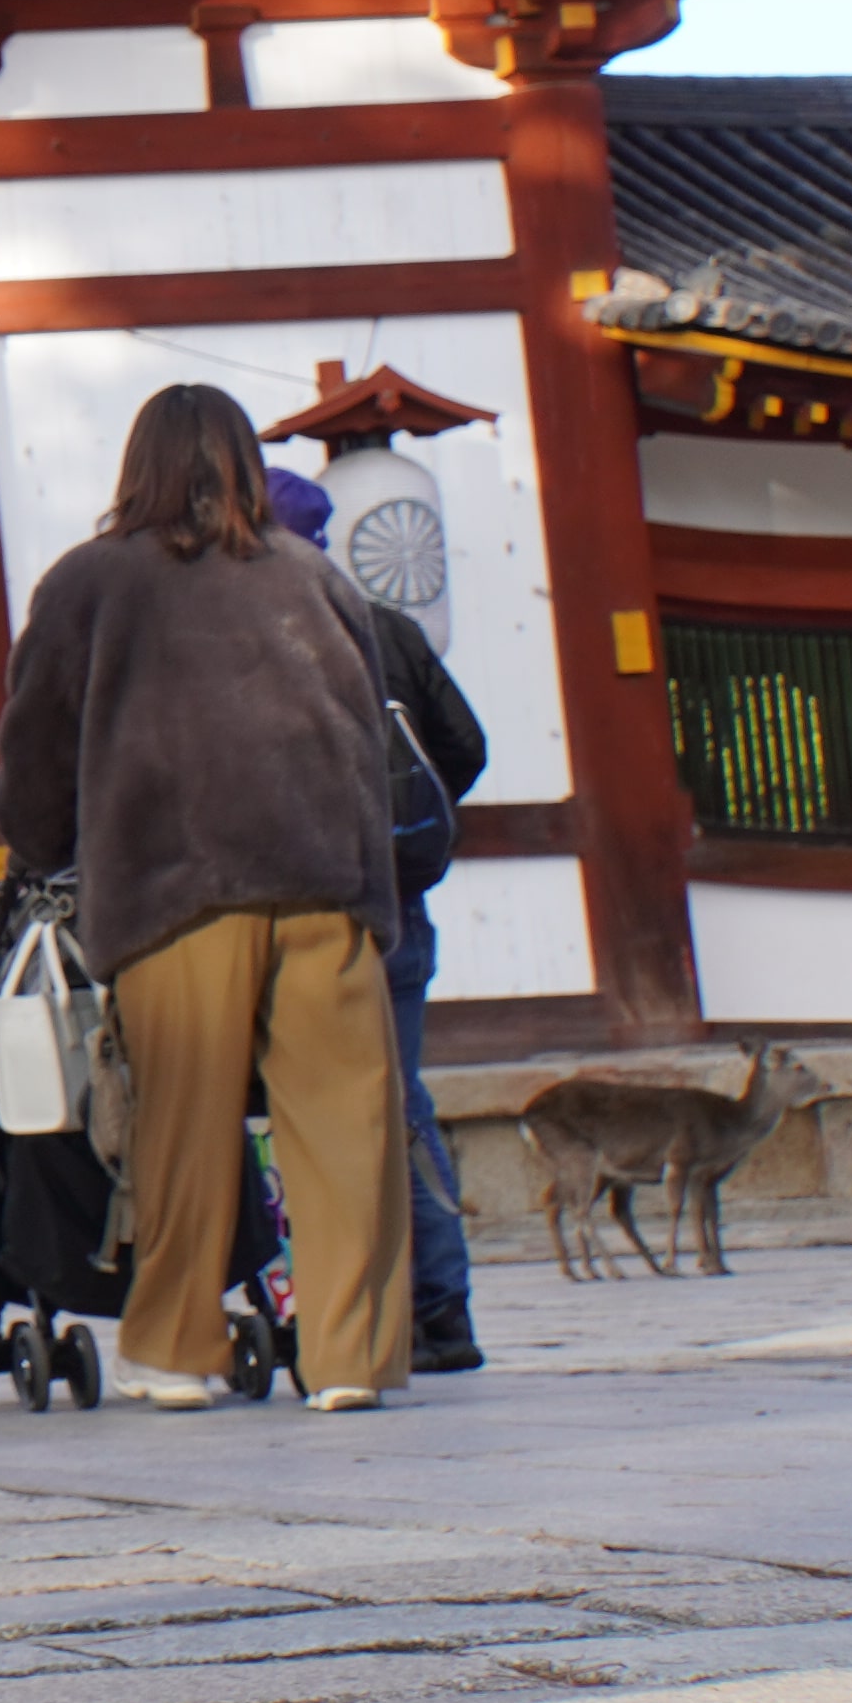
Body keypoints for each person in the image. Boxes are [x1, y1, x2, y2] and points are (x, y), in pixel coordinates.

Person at [0, 382, 412, 1410]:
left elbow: (35, 752)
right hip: (325, 882)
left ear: (136, 466)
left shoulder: (88, 581)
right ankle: (350, 1356)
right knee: (346, 1128)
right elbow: (368, 741)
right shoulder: (315, 579)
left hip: (176, 887)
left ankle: (179, 1348)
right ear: (239, 460)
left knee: (180, 1125)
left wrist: (43, 847)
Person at [269, 469, 494, 1374]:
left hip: (300, 906)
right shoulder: (388, 631)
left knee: (297, 1107)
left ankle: (337, 1307)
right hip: (399, 905)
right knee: (402, 1103)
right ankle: (443, 1309)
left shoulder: (266, 633)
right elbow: (464, 749)